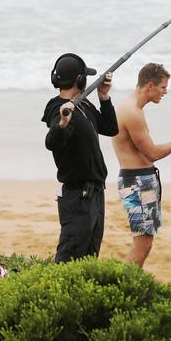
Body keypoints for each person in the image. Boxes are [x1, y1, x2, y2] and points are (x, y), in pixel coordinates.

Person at [112, 62, 171, 268]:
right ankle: (123, 286)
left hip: (140, 180)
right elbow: (152, 153)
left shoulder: (131, 108)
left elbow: (145, 151)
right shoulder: (131, 112)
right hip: (138, 183)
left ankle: (128, 285)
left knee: (146, 242)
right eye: (163, 87)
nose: (165, 92)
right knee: (142, 245)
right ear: (150, 85)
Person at [41, 53, 118, 263]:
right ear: (79, 80)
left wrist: (104, 97)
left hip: (95, 192)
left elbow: (111, 128)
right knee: (69, 257)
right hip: (78, 196)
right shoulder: (57, 108)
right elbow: (52, 142)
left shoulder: (83, 105)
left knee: (89, 257)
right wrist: (63, 122)